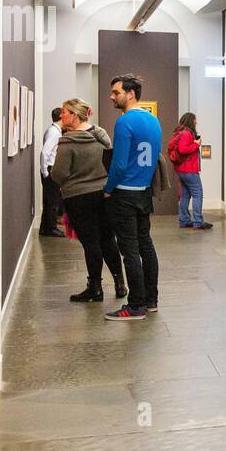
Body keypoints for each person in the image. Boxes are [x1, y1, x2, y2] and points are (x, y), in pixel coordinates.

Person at [50, 99, 127, 303]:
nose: (62, 115)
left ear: (75, 115)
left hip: (78, 198)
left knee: (91, 243)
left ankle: (95, 288)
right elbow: (110, 157)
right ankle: (120, 284)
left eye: (65, 112)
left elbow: (59, 174)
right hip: (103, 194)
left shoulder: (66, 143)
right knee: (108, 239)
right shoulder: (100, 135)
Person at [103, 73, 162, 320]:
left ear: (131, 93)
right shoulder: (153, 121)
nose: (112, 97)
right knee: (146, 245)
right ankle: (150, 300)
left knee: (130, 251)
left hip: (125, 193)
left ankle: (135, 305)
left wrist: (108, 188)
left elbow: (118, 164)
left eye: (116, 92)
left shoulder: (125, 122)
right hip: (144, 191)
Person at [169, 112, 213, 229]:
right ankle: (198, 221)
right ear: (190, 121)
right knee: (198, 194)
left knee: (185, 195)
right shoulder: (187, 133)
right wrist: (196, 145)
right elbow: (183, 149)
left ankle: (184, 220)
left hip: (181, 170)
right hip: (189, 170)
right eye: (194, 120)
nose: (196, 122)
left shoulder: (179, 132)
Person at [39, 107, 65, 237]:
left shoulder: (55, 131)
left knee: (51, 199)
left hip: (50, 168)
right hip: (50, 169)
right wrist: (45, 172)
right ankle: (51, 228)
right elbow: (45, 152)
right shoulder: (54, 132)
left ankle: (46, 227)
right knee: (52, 200)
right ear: (61, 116)